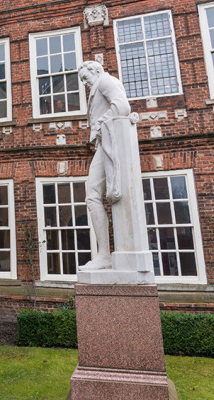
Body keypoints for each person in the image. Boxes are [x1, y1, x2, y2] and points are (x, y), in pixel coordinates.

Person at [77, 60, 131, 271]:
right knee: (92, 195)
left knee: (94, 194)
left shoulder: (106, 81)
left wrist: (101, 124)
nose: (84, 82)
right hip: (103, 143)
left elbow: (123, 106)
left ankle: (105, 256)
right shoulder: (97, 86)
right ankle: (105, 255)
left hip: (110, 142)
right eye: (82, 80)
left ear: (96, 70)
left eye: (85, 77)